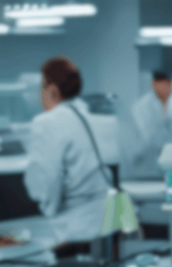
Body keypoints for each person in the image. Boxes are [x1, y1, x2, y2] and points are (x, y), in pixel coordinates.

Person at [24, 57, 112, 242]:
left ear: (53, 90)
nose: (40, 95)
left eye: (41, 88)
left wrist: (48, 211)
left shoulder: (47, 122)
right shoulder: (94, 116)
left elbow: (48, 180)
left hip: (77, 227)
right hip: (111, 218)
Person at [128, 72, 172, 179]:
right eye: (161, 86)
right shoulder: (141, 105)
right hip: (147, 154)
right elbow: (146, 134)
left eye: (167, 85)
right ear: (154, 85)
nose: (164, 90)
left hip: (171, 152)